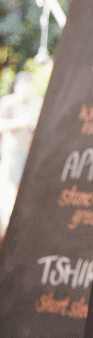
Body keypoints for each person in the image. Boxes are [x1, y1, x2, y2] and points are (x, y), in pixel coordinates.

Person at [0, 71, 42, 231]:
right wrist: (19, 122)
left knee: (29, 195)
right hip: (13, 155)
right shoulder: (8, 102)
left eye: (29, 85)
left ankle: (24, 228)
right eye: (24, 85)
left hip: (33, 155)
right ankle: (10, 228)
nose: (27, 88)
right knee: (10, 196)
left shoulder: (38, 102)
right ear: (17, 86)